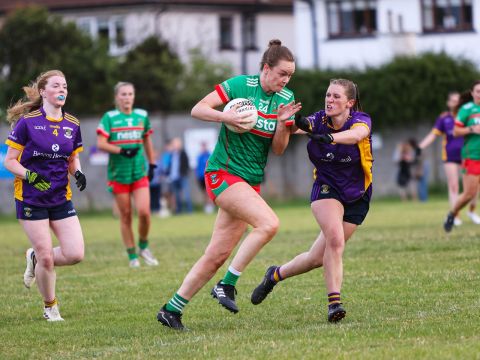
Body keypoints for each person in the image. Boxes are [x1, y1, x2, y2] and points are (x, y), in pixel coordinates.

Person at [156, 39, 302, 330]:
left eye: (290, 75)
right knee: (269, 224)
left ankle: (172, 309)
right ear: (266, 68)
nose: (286, 80)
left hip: (250, 181)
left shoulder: (285, 98)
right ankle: (227, 284)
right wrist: (226, 116)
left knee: (217, 255)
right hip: (222, 173)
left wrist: (285, 123)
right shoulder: (239, 85)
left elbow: (278, 150)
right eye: (282, 73)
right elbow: (198, 109)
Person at [250, 78, 373, 323]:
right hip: (326, 189)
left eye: (336, 96)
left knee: (317, 258)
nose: (330, 100)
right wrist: (284, 120)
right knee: (335, 242)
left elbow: (356, 135)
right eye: (328, 95)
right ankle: (334, 303)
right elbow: (298, 126)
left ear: (350, 102)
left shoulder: (360, 120)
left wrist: (329, 138)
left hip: (358, 194)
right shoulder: (318, 120)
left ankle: (275, 275)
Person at [3, 70, 87, 321]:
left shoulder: (72, 124)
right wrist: (30, 176)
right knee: (47, 257)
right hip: (31, 199)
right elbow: (10, 162)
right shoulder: (27, 122)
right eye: (56, 86)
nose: (62, 90)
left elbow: (73, 157)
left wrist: (78, 172)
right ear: (43, 92)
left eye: (65, 86)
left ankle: (34, 257)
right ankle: (50, 307)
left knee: (75, 254)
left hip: (60, 198)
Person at [96, 82, 159, 267]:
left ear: (134, 96)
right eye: (123, 94)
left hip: (139, 172)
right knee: (126, 215)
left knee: (145, 212)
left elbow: (147, 140)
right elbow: (101, 143)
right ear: (117, 97)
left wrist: (153, 164)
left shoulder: (142, 115)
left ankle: (144, 246)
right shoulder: (109, 117)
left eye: (130, 94)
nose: (127, 97)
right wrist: (121, 151)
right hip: (118, 174)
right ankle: (132, 256)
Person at [419, 92, 480, 225]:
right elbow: (433, 135)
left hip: (467, 154)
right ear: (448, 103)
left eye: (457, 100)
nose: (455, 103)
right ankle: (455, 215)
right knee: (453, 185)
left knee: (473, 188)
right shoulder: (444, 118)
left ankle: (471, 211)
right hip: (450, 156)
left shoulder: (467, 114)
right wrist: (420, 146)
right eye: (452, 100)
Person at [444, 81, 480, 232]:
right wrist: (472, 128)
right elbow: (455, 132)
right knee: (468, 194)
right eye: (478, 91)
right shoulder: (467, 109)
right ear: (472, 93)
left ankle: (471, 212)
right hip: (472, 156)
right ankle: (452, 214)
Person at [169, 137, 193, 214]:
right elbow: (171, 165)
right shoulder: (172, 154)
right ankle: (179, 211)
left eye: (177, 144)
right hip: (174, 177)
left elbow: (187, 164)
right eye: (174, 144)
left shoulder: (183, 153)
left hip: (182, 176)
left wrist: (184, 173)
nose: (175, 145)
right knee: (177, 195)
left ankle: (189, 210)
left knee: (186, 194)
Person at [195, 141, 215, 214]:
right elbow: (197, 167)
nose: (203, 148)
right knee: (203, 192)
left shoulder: (209, 155)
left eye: (204, 146)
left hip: (208, 176)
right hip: (201, 177)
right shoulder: (199, 156)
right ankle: (206, 206)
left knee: (208, 192)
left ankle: (210, 206)